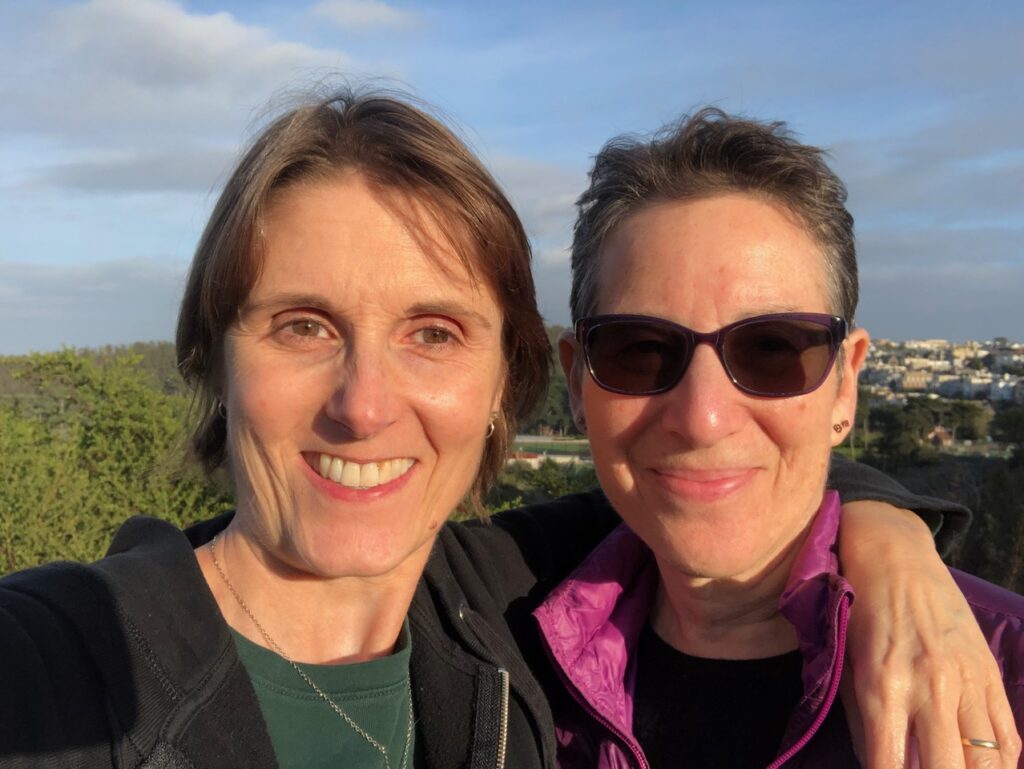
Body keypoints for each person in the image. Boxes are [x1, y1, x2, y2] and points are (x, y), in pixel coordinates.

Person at [0, 89, 1012, 769]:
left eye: (773, 349)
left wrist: (890, 541)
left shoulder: (504, 606)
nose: (362, 403)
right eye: (301, 326)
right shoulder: (56, 665)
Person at [538, 107, 1024, 769]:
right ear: (576, 381)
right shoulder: (498, 661)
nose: (703, 416)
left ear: (845, 384)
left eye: (770, 349)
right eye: (641, 350)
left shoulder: (1003, 671)